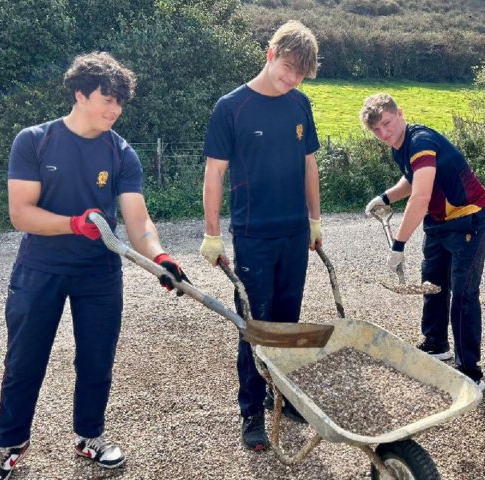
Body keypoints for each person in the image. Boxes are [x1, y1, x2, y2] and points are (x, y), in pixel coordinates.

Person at [0, 52, 190, 480]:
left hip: (99, 274)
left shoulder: (121, 153)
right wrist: (75, 224)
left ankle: (89, 437)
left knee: (97, 360)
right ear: (79, 94)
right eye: (106, 99)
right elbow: (21, 213)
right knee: (25, 359)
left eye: (120, 103)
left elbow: (137, 220)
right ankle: (10, 444)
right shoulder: (34, 140)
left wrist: (160, 256)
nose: (114, 110)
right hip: (40, 269)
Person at [199, 20, 322, 452]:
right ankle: (251, 412)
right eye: (287, 68)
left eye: (300, 75)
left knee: (288, 324)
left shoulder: (300, 105)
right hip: (252, 234)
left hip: (293, 234)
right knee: (254, 326)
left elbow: (310, 165)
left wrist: (315, 220)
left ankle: (281, 396)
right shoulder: (231, 107)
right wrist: (212, 234)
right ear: (270, 55)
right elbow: (214, 174)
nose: (291, 79)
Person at [360, 93, 485, 389]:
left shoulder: (420, 142)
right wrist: (385, 197)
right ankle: (436, 344)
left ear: (400, 113)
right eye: (377, 130)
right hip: (440, 223)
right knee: (432, 284)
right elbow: (413, 179)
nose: (384, 133)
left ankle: (470, 372)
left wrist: (398, 244)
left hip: (469, 217)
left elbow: (419, 198)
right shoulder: (400, 146)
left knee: (463, 295)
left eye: (387, 124)